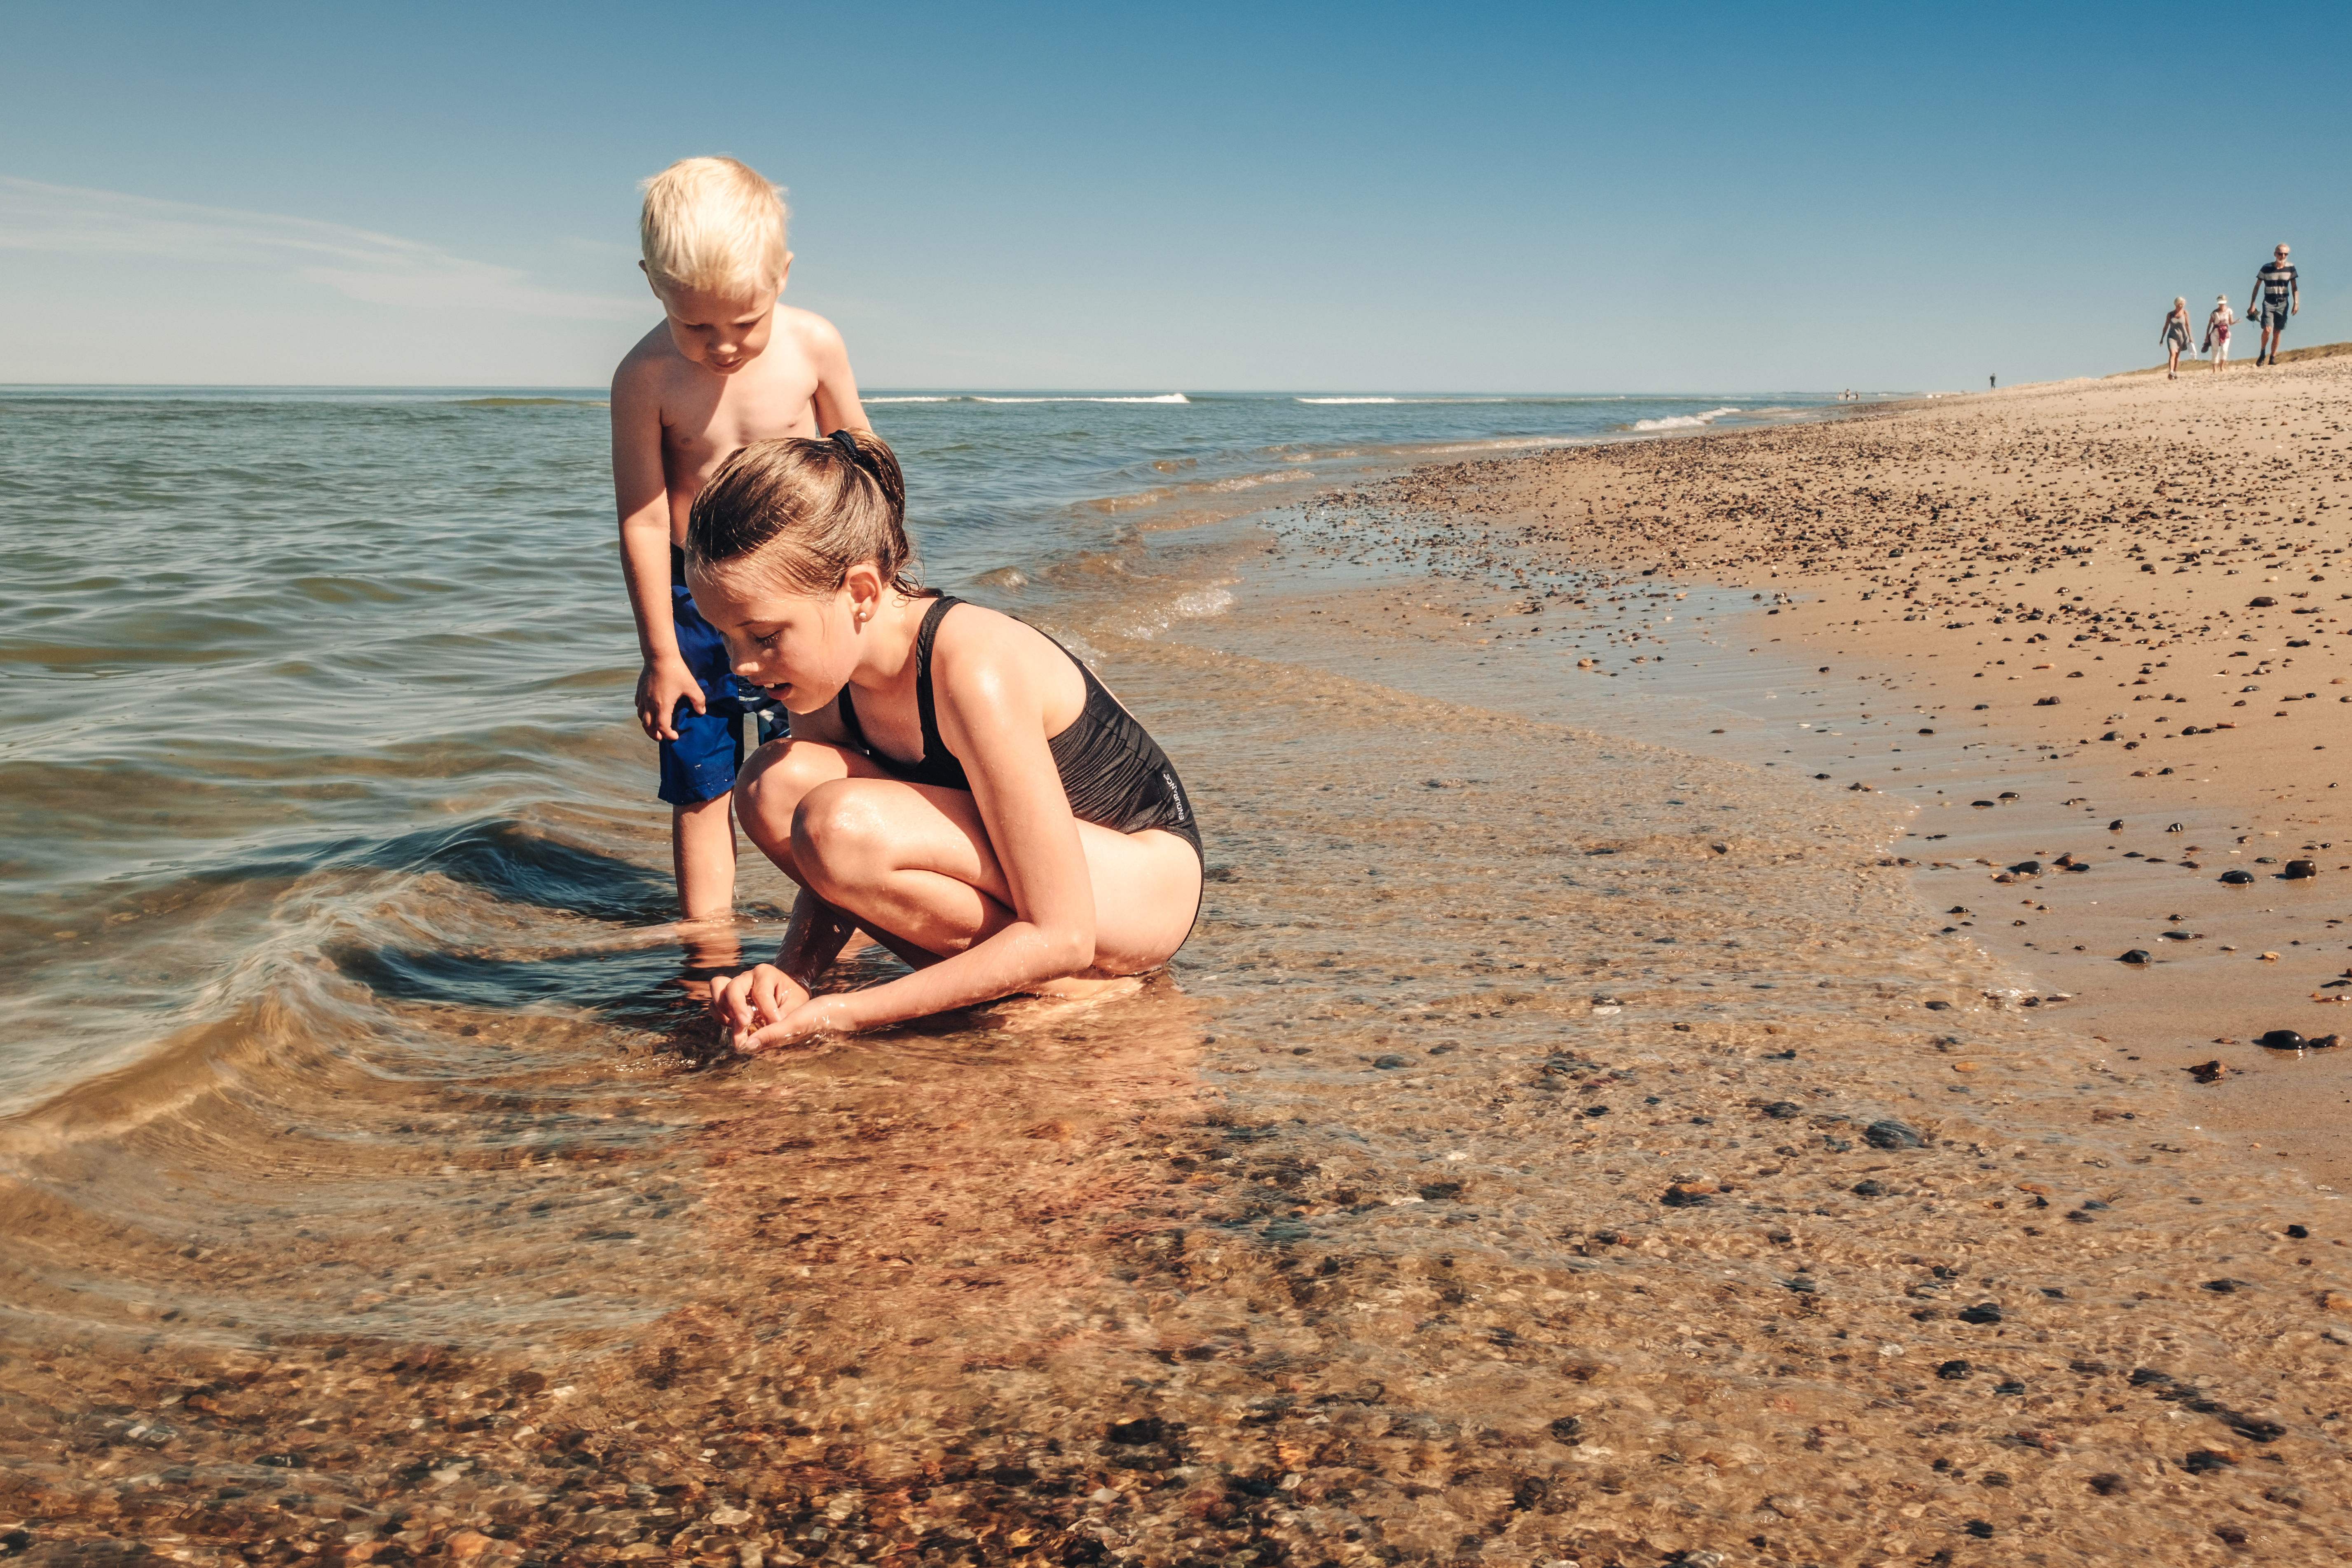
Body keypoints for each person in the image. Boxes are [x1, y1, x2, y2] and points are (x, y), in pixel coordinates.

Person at [689, 432, 1204, 1052]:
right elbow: (830, 870)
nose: (740, 666)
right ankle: (1016, 982)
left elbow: (1065, 929)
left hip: (1142, 884)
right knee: (772, 786)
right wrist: (795, 976)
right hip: (1038, 884)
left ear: (861, 594)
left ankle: (1067, 987)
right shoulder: (824, 673)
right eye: (725, 638)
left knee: (836, 821)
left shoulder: (970, 666)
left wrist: (844, 1013)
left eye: (765, 636)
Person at [610, 157, 868, 923]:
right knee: (700, 780)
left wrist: (877, 577)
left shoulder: (813, 344)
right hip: (697, 597)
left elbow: (863, 465)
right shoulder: (645, 377)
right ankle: (708, 945)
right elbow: (644, 519)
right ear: (653, 285)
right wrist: (661, 655)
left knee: (827, 760)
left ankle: (847, 921)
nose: (722, 346)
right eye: (696, 326)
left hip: (807, 586)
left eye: (745, 323)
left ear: (782, 275)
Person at [2248, 243, 2299, 366]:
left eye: (2286, 254)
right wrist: (2252, 304)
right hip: (2269, 302)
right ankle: (2262, 353)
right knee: (2267, 329)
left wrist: (2296, 303)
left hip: (2283, 302)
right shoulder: (2266, 268)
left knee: (2277, 331)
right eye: (2280, 254)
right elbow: (2257, 287)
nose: (2283, 256)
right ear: (2275, 254)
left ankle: (2272, 358)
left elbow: (2294, 287)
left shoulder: (2291, 268)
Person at [2160, 296, 2193, 378]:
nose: (2182, 306)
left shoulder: (2185, 313)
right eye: (2180, 304)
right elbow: (2166, 327)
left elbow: (2187, 326)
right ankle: (2171, 372)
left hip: (2182, 338)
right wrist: (2162, 338)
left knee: (2177, 356)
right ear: (2176, 305)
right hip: (2172, 337)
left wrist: (2190, 337)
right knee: (2172, 354)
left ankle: (2174, 372)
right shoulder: (2170, 315)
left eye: (2183, 304)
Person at [2205, 294, 2235, 371]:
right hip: (2216, 333)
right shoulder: (2214, 313)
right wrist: (2207, 336)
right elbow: (2209, 325)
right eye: (2220, 303)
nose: (2221, 305)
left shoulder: (2229, 311)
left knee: (2224, 350)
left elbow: (2230, 322)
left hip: (2225, 332)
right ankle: (2215, 369)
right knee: (2215, 351)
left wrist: (2235, 322)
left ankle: (2222, 367)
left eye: (2223, 303)